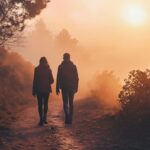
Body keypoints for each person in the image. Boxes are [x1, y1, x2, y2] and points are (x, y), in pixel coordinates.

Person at [56, 53, 79, 124]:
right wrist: (76, 87)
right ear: (69, 58)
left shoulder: (60, 66)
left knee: (65, 102)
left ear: (63, 58)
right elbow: (77, 78)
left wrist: (57, 88)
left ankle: (67, 117)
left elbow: (58, 78)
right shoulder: (73, 66)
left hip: (64, 87)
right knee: (71, 102)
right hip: (72, 87)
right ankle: (70, 118)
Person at [32, 57, 54, 126]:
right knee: (46, 104)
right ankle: (45, 118)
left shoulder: (37, 69)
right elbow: (52, 80)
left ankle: (41, 119)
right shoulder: (48, 69)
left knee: (40, 104)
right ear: (46, 62)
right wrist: (47, 82)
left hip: (39, 89)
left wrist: (34, 90)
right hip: (46, 89)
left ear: (40, 62)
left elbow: (34, 80)